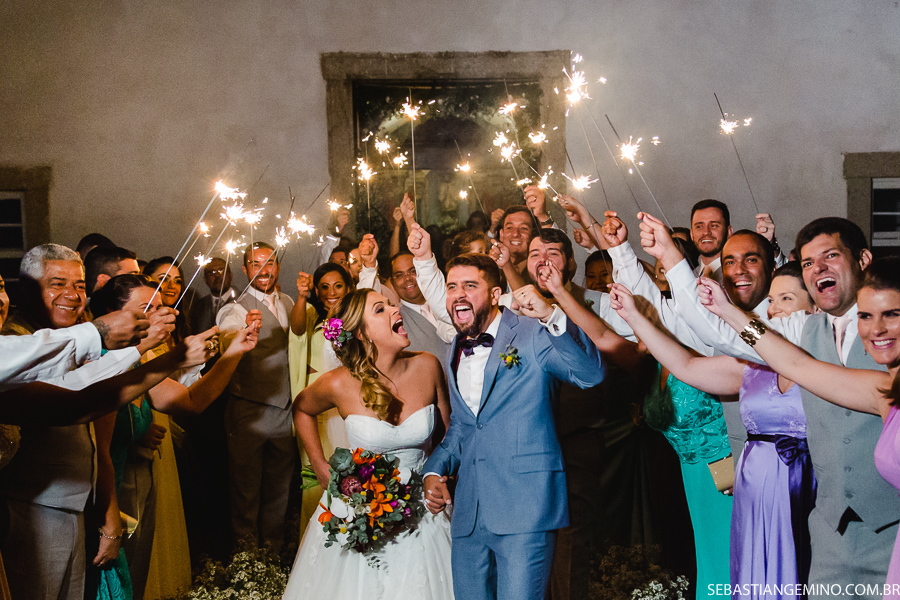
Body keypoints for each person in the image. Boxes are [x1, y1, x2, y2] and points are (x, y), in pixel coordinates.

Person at [659, 217, 898, 598]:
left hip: (891, 534)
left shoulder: (885, 378)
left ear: (863, 259)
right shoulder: (805, 328)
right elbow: (783, 359)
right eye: (807, 263)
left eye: (831, 255)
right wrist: (721, 304)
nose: (817, 268)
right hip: (830, 530)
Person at [609, 263, 819, 597]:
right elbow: (685, 366)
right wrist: (634, 317)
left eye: (786, 298)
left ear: (815, 309)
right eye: (772, 299)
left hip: (769, 480)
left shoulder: (821, 363)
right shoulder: (751, 368)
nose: (774, 308)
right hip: (737, 483)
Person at [423, 253, 605, 600]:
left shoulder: (533, 331)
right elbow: (464, 425)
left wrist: (551, 315)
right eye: (451, 286)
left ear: (494, 294)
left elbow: (591, 374)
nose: (457, 294)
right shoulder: (454, 349)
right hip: (470, 513)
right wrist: (434, 471)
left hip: (527, 508)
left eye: (469, 286)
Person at [86, 274, 259, 600]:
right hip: (105, 502)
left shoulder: (144, 359)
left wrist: (234, 352)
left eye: (163, 306)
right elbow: (100, 452)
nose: (162, 314)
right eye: (148, 308)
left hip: (134, 491)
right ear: (112, 312)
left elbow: (189, 402)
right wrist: (110, 526)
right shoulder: (105, 362)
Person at [283, 288, 454, 599]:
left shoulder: (428, 366)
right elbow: (302, 408)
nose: (394, 310)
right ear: (362, 333)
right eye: (380, 309)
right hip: (361, 508)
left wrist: (443, 476)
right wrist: (321, 467)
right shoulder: (339, 383)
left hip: (425, 507)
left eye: (391, 304)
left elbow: (449, 434)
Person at [216, 242, 296, 552]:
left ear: (278, 265)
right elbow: (226, 337)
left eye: (270, 262)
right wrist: (240, 334)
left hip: (286, 412)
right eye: (255, 263)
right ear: (246, 269)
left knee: (280, 493)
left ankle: (273, 561)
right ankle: (246, 564)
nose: (264, 269)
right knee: (245, 494)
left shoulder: (289, 302)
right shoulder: (236, 308)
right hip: (249, 412)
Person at [288, 262, 355, 537]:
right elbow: (296, 330)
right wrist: (302, 297)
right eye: (324, 287)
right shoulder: (312, 316)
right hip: (317, 415)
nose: (331, 292)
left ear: (348, 287)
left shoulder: (355, 319)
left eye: (338, 285)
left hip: (348, 412)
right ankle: (319, 543)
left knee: (353, 478)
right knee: (317, 481)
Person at [190, 256, 234, 334]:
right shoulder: (198, 307)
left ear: (230, 275)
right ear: (205, 279)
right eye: (211, 273)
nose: (217, 276)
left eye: (221, 271)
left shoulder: (244, 300)